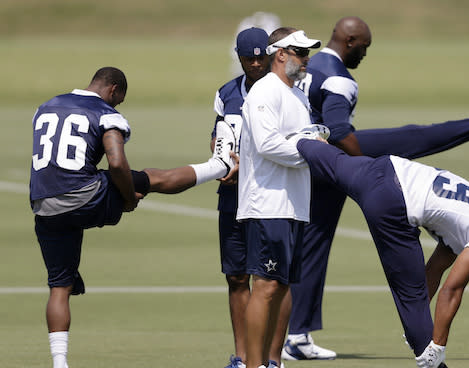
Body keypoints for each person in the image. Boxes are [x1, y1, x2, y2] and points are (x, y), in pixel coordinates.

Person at [284, 15, 469, 361]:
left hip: (308, 165)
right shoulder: (340, 81)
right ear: (350, 42)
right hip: (334, 159)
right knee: (415, 138)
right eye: (364, 48)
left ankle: (297, 334)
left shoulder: (315, 63)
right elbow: (338, 130)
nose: (364, 55)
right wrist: (360, 165)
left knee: (314, 246)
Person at [30, 66, 237, 368]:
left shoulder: (45, 106)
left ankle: (59, 364)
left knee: (59, 287)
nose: (116, 106)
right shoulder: (105, 113)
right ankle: (219, 165)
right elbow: (116, 162)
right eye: (118, 100)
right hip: (83, 196)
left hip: (43, 204)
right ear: (113, 90)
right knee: (148, 179)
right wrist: (127, 198)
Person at [292, 138, 469, 368]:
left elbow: (434, 271)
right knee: (412, 300)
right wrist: (436, 344)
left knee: (326, 157)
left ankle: (297, 138)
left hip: (385, 168)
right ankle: (431, 360)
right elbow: (452, 290)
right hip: (393, 202)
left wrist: (418, 322)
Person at [236, 27, 322, 368]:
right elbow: (268, 144)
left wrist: (314, 142)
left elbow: (303, 137)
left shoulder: (298, 95)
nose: (306, 59)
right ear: (281, 54)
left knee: (283, 286)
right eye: (300, 52)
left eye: (307, 53)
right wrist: (312, 152)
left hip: (294, 204)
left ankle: (273, 362)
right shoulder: (265, 92)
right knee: (267, 286)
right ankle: (254, 364)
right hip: (267, 202)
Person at [209, 27, 274, 368]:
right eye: (249, 58)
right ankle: (242, 356)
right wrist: (223, 162)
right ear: (240, 57)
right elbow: (218, 137)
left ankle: (271, 357)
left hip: (269, 196)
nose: (256, 63)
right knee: (236, 277)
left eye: (261, 56)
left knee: (272, 279)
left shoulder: (282, 92)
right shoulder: (227, 94)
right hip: (232, 197)